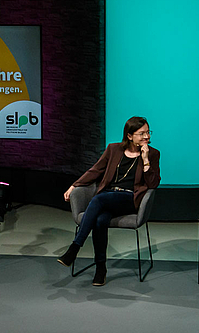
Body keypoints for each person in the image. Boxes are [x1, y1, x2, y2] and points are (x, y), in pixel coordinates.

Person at [57, 116, 160, 286]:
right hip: (109, 197)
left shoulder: (153, 153)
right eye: (141, 134)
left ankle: (74, 248)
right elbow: (95, 171)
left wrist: (146, 159)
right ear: (129, 136)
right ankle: (100, 269)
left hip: (129, 199)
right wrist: (74, 185)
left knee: (100, 198)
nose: (146, 137)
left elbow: (153, 184)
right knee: (99, 220)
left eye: (148, 132)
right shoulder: (113, 149)